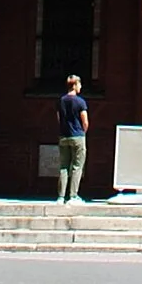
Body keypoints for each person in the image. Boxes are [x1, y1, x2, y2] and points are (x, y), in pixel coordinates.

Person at [55, 74, 89, 204]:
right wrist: (82, 132)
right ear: (75, 85)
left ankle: (61, 196)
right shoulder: (80, 102)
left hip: (64, 136)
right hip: (77, 136)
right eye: (79, 84)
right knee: (77, 166)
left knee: (63, 167)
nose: (80, 87)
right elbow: (85, 121)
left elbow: (59, 118)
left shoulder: (60, 101)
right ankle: (73, 196)